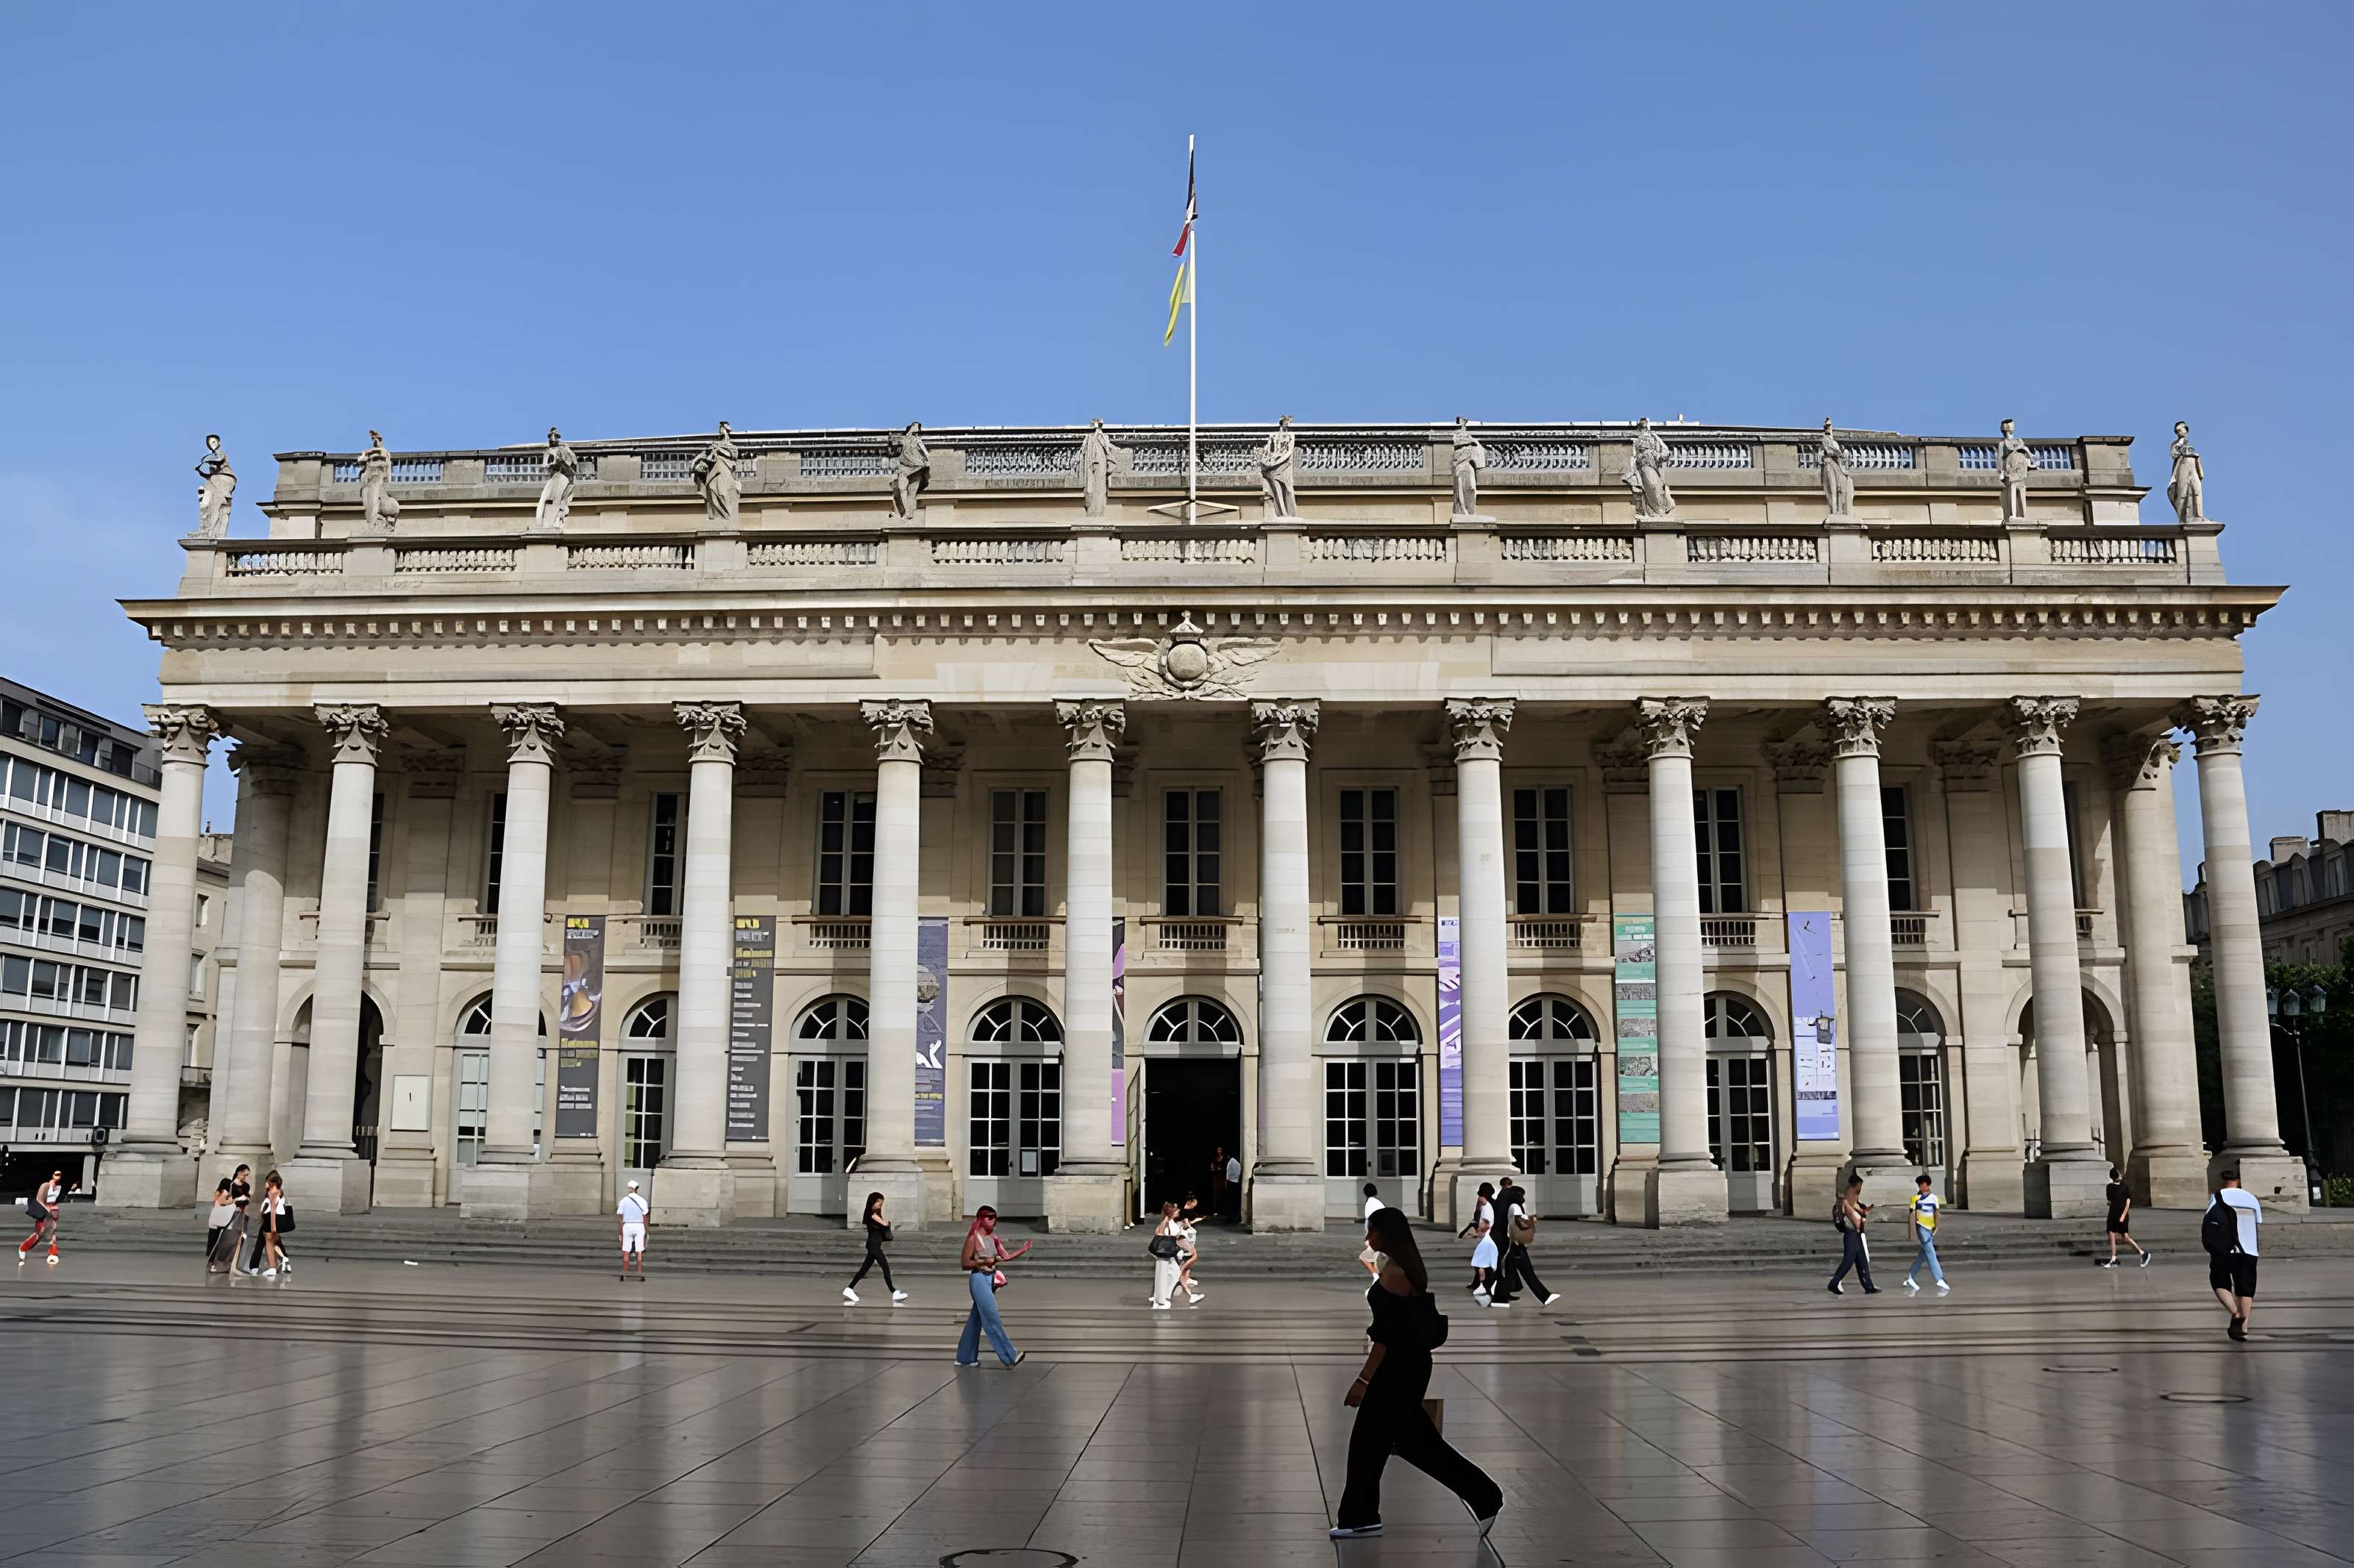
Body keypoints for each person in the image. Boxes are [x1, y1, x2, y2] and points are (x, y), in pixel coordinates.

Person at [1329, 1207, 1504, 1541]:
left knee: (1374, 1443)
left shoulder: (1396, 1273)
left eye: (1372, 1231)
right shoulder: (1401, 1266)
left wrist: (1363, 1380)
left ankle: (1485, 1496)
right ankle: (1361, 1516)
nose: (1368, 1237)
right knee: (1405, 1443)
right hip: (1408, 1364)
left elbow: (1386, 1334)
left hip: (1397, 1368)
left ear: (1387, 1234)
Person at [956, 1205, 1031, 1368]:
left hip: (990, 1280)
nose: (993, 1221)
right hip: (978, 1279)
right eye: (989, 1218)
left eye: (995, 1218)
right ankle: (1010, 1356)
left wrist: (1023, 1250)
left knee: (975, 1320)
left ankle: (965, 1358)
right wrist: (982, 1262)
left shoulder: (993, 1239)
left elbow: (1005, 1257)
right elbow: (964, 1263)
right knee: (991, 1316)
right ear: (980, 1219)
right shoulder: (974, 1238)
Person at [2205, 1169, 2262, 1341]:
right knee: (2245, 1288)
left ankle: (2236, 1314)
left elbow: (2209, 1220)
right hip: (2249, 1249)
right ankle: (2243, 1327)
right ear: (2240, 1180)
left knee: (2219, 1280)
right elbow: (2257, 1221)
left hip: (2223, 1248)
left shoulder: (2218, 1196)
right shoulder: (2251, 1198)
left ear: (2224, 1180)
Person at [1491, 1178, 1559, 1306]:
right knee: (1527, 1272)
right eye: (1522, 1195)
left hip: (1514, 1243)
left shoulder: (1511, 1206)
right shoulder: (1515, 1206)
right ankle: (1545, 1296)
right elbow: (1519, 1221)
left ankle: (1500, 1299)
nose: (1523, 1197)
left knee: (1514, 1272)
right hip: (1517, 1244)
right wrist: (1532, 1220)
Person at [844, 1190, 906, 1304]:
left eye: (881, 1204)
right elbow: (884, 1226)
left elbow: (883, 1230)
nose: (880, 1206)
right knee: (885, 1268)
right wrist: (887, 1225)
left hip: (874, 1245)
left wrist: (886, 1226)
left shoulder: (875, 1215)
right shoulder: (872, 1215)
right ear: (873, 1202)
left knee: (864, 1270)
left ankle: (849, 1289)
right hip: (874, 1247)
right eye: (879, 1203)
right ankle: (894, 1292)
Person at [1827, 1176, 1879, 1296]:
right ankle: (1834, 1283)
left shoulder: (1852, 1203)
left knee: (1862, 1261)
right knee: (1848, 1261)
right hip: (1852, 1235)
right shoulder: (1847, 1204)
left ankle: (1868, 1286)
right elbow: (1857, 1223)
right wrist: (1864, 1217)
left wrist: (1864, 1212)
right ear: (1854, 1187)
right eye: (1859, 1187)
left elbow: (1859, 1215)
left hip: (1856, 1235)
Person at [1902, 1172, 1949, 1295]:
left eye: (1924, 1184)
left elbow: (1936, 1213)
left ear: (1928, 1185)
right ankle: (1939, 1278)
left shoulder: (1934, 1198)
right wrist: (1912, 1233)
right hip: (1921, 1227)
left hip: (1930, 1229)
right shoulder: (1915, 1199)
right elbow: (1912, 1215)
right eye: (1921, 1185)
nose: (1922, 1187)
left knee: (1924, 1253)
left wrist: (1937, 1227)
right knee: (1930, 1251)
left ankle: (1910, 1277)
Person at [2102, 1166, 2151, 1268]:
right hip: (2123, 1215)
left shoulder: (2109, 1187)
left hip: (2114, 1214)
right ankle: (2139, 1253)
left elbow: (2110, 1201)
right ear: (2118, 1176)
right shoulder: (2125, 1187)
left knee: (2114, 1235)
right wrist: (2124, 1215)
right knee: (2124, 1237)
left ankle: (2116, 1258)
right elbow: (2128, 1202)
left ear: (2111, 1177)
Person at [1461, 1182, 1501, 1305]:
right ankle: (1483, 1284)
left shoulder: (1488, 1206)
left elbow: (1484, 1221)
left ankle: (1488, 1286)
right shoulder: (1488, 1204)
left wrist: (1476, 1233)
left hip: (1490, 1236)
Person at [17, 1170, 68, 1265]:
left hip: (53, 1210)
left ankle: (53, 1254)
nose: (58, 1176)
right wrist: (47, 1209)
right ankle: (23, 1248)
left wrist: (55, 1209)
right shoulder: (45, 1185)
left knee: (52, 1232)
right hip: (44, 1211)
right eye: (56, 1174)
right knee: (39, 1234)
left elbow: (56, 1200)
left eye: (60, 1175)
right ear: (52, 1175)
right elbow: (39, 1199)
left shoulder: (59, 1187)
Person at [249, 1171, 291, 1278]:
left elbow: (272, 1211)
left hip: (270, 1221)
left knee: (267, 1243)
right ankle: (283, 1258)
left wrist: (273, 1228)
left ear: (272, 1183)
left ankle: (270, 1267)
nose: (265, 1184)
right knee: (272, 1241)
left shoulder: (273, 1193)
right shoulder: (278, 1192)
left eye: (267, 1182)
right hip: (270, 1220)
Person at [1149, 1200, 1184, 1310]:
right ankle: (1162, 1300)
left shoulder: (1166, 1222)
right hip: (1167, 1253)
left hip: (1164, 1254)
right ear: (1171, 1212)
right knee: (1166, 1275)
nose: (1178, 1211)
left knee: (1168, 1274)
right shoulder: (1169, 1224)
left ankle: (1160, 1298)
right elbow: (1175, 1237)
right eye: (1176, 1210)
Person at [616, 1179, 649, 1281]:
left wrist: (620, 1231)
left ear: (629, 1189)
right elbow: (645, 1214)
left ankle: (625, 1274)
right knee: (639, 1251)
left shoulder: (623, 1201)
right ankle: (639, 1273)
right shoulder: (642, 1200)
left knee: (626, 1250)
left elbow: (620, 1216)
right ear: (637, 1189)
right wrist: (646, 1230)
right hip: (639, 1226)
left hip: (627, 1226)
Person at [1174, 1194, 1205, 1303]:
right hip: (1182, 1239)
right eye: (1194, 1205)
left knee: (1189, 1257)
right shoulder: (1182, 1212)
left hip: (1185, 1238)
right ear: (1189, 1203)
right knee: (1190, 1256)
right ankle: (1183, 1277)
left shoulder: (1184, 1213)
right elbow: (1184, 1225)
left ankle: (1185, 1278)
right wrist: (1193, 1221)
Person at [205, 1182, 236, 1272]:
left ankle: (213, 1260)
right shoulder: (222, 1192)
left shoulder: (226, 1192)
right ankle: (211, 1259)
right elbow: (222, 1201)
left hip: (220, 1217)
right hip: (218, 1216)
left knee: (216, 1240)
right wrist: (231, 1201)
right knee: (212, 1240)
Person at [1358, 1183, 1385, 1278]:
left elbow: (1369, 1221)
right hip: (1382, 1234)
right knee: (1375, 1258)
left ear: (1365, 1193)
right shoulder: (1379, 1203)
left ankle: (1376, 1276)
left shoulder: (1369, 1203)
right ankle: (1378, 1275)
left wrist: (1368, 1236)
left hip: (1375, 1235)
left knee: (1364, 1258)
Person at [1209, 1147, 1230, 1222]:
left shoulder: (1225, 1160)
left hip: (1222, 1179)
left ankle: (1223, 1210)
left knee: (1223, 1194)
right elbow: (1212, 1168)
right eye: (1218, 1150)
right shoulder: (1214, 1159)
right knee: (1216, 1194)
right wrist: (1215, 1169)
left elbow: (1226, 1169)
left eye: (1220, 1149)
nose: (1219, 1151)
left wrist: (1221, 1170)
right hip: (1216, 1179)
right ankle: (1217, 1210)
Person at [1224, 1151, 1242, 1221]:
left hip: (1231, 1183)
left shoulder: (1231, 1163)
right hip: (1236, 1182)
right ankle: (1235, 1216)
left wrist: (1227, 1182)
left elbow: (1228, 1174)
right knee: (1235, 1201)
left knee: (1230, 1201)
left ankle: (1230, 1217)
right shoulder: (1237, 1164)